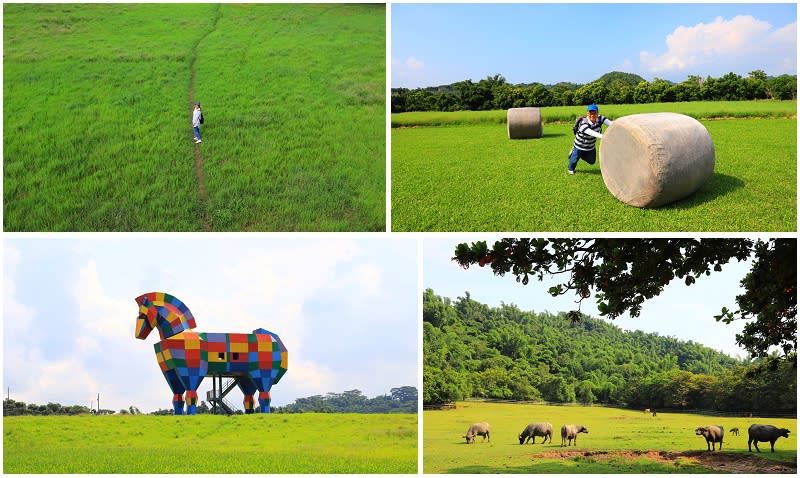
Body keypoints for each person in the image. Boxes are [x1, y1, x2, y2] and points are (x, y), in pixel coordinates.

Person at [568, 103, 612, 175]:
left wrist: (618, 126)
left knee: (592, 161)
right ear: (587, 113)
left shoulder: (600, 119)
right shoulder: (583, 123)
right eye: (590, 113)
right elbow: (591, 133)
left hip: (590, 146)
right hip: (579, 146)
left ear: (598, 113)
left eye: (594, 113)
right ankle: (570, 169)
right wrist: (604, 136)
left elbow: (611, 123)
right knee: (574, 160)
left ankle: (580, 155)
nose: (593, 115)